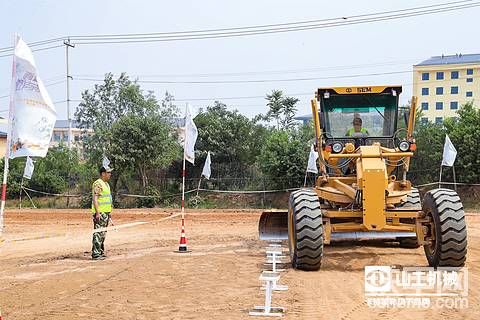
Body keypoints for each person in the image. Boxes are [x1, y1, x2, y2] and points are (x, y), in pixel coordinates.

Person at [91, 166, 113, 260]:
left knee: (103, 233)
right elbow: (95, 198)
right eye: (108, 172)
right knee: (98, 232)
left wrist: (109, 212)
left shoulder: (106, 184)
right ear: (103, 173)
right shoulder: (98, 183)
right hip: (100, 213)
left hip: (106, 212)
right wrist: (97, 213)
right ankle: (95, 253)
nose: (110, 174)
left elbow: (108, 199)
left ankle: (100, 251)